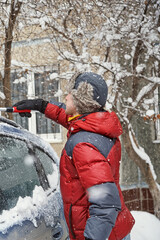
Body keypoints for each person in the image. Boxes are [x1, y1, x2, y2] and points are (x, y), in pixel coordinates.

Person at [13, 72, 135, 240]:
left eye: (72, 94)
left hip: (99, 233)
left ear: (81, 102)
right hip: (112, 229)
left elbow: (105, 203)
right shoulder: (97, 125)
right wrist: (41, 105)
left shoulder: (84, 145)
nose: (67, 96)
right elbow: (69, 117)